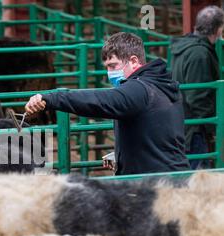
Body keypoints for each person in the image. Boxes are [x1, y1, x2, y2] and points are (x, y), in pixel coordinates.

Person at [25, 32, 190, 175]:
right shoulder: (160, 86)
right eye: (107, 67)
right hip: (171, 176)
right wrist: (120, 155)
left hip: (155, 185)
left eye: (113, 66)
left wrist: (52, 98)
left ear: (133, 61)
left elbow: (100, 102)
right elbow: (157, 135)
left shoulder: (138, 89)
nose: (109, 73)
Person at [171, 5, 224, 169]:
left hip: (184, 123)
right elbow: (198, 96)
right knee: (197, 176)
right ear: (218, 28)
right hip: (194, 129)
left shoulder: (187, 47)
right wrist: (213, 126)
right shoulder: (199, 54)